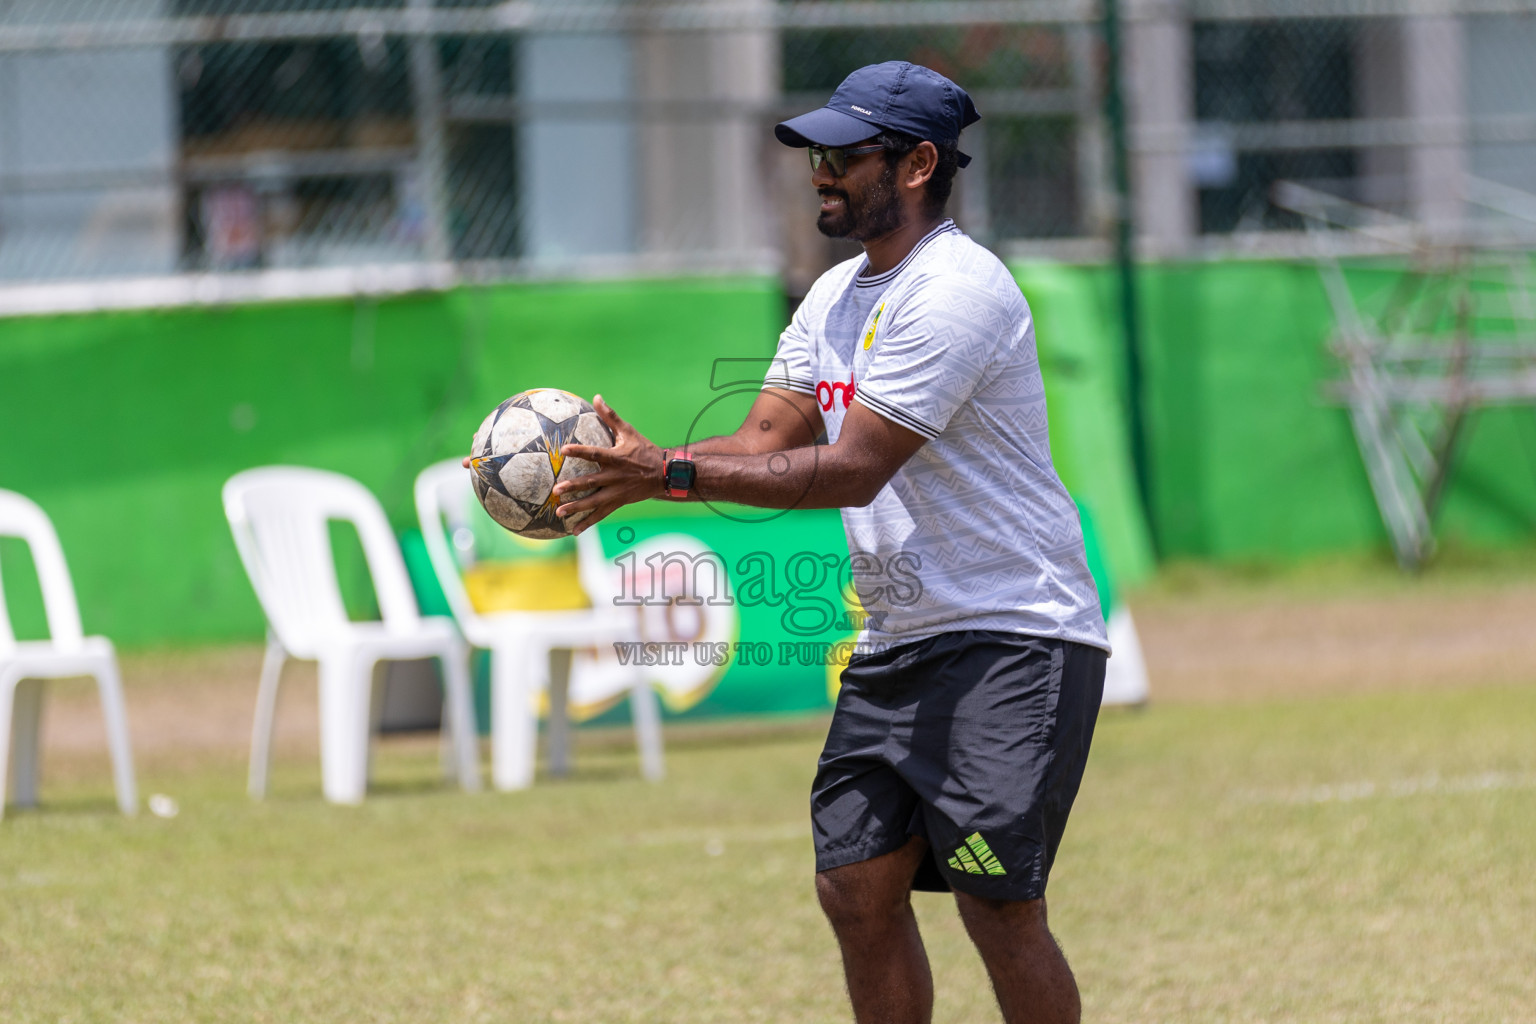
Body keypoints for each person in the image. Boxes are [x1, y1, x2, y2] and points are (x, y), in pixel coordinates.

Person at [547, 61, 1110, 1024]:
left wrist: (666, 478)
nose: (819, 170)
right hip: (902, 641)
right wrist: (643, 464)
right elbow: (764, 443)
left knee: (997, 903)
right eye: (815, 151)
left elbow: (853, 469)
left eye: (844, 154)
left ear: (920, 163)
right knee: (854, 888)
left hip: (1015, 636)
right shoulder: (834, 296)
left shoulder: (957, 290)